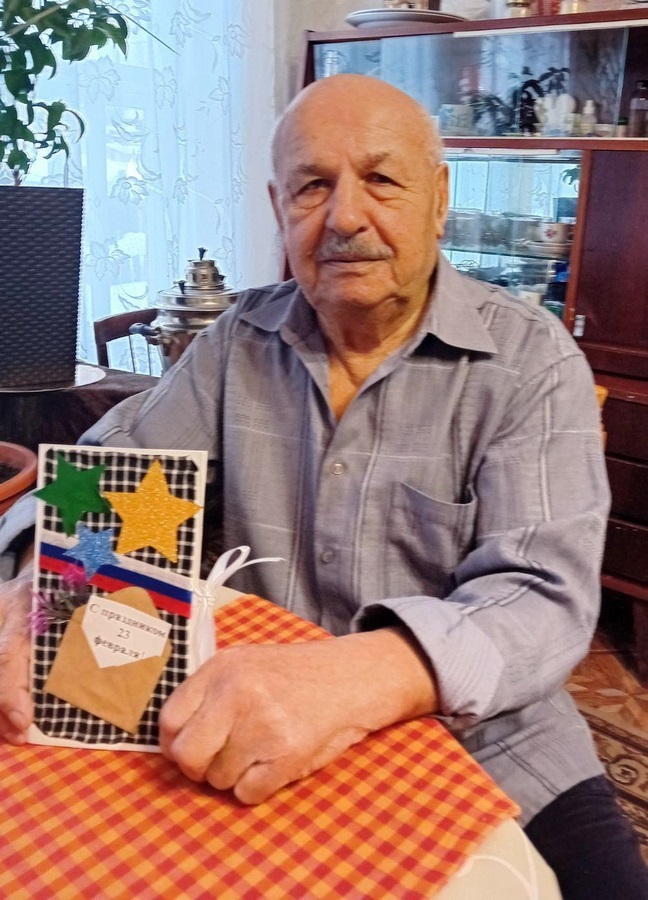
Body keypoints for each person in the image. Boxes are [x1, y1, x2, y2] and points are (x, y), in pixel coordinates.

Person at [1, 74, 646, 898]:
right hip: (254, 730)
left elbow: (544, 597)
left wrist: (351, 678)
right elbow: (107, 473)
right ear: (280, 208)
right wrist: (37, 584)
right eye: (312, 186)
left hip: (493, 745)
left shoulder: (532, 361)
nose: (344, 217)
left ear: (439, 198)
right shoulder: (235, 343)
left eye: (381, 179)